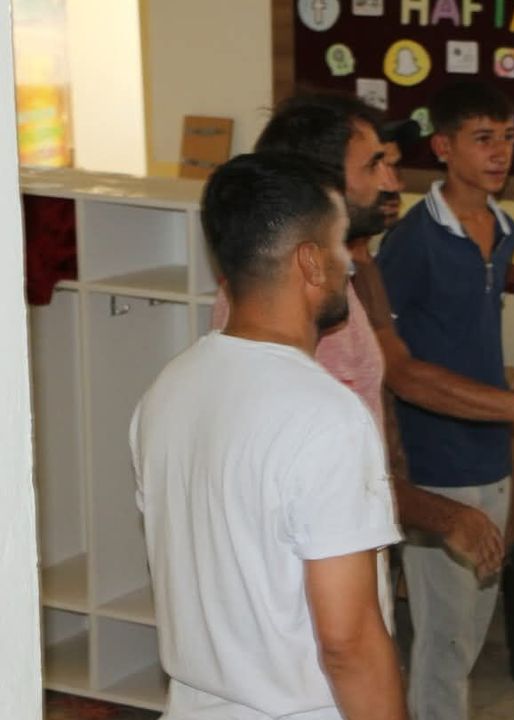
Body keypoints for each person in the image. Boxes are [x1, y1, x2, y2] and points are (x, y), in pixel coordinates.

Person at [215, 93, 514, 580]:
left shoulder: (351, 273)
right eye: (374, 165)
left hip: (363, 525)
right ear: (323, 183)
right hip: (306, 558)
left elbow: (388, 367)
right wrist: (447, 513)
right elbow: (337, 465)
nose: (393, 182)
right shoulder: (292, 300)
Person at [131, 152, 407, 720]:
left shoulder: (166, 390)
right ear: (310, 262)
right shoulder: (326, 415)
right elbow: (349, 642)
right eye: (339, 246)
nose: (349, 267)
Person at [375, 79, 514, 720]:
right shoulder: (412, 241)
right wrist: (398, 461)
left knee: (474, 623)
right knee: (443, 636)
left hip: (492, 450)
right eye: (483, 139)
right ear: (443, 147)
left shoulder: (505, 228)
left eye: (508, 138)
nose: (500, 152)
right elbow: (386, 362)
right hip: (434, 461)